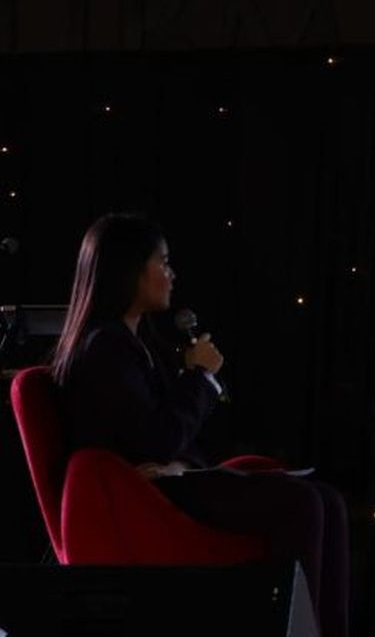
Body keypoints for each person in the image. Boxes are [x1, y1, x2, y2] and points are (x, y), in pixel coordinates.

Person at [52, 213, 349, 637]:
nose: (171, 274)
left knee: (328, 500)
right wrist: (199, 377)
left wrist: (181, 462)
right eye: (162, 262)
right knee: (302, 503)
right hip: (146, 498)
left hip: (174, 479)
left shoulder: (139, 342)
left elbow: (172, 440)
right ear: (129, 270)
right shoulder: (105, 348)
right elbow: (157, 439)